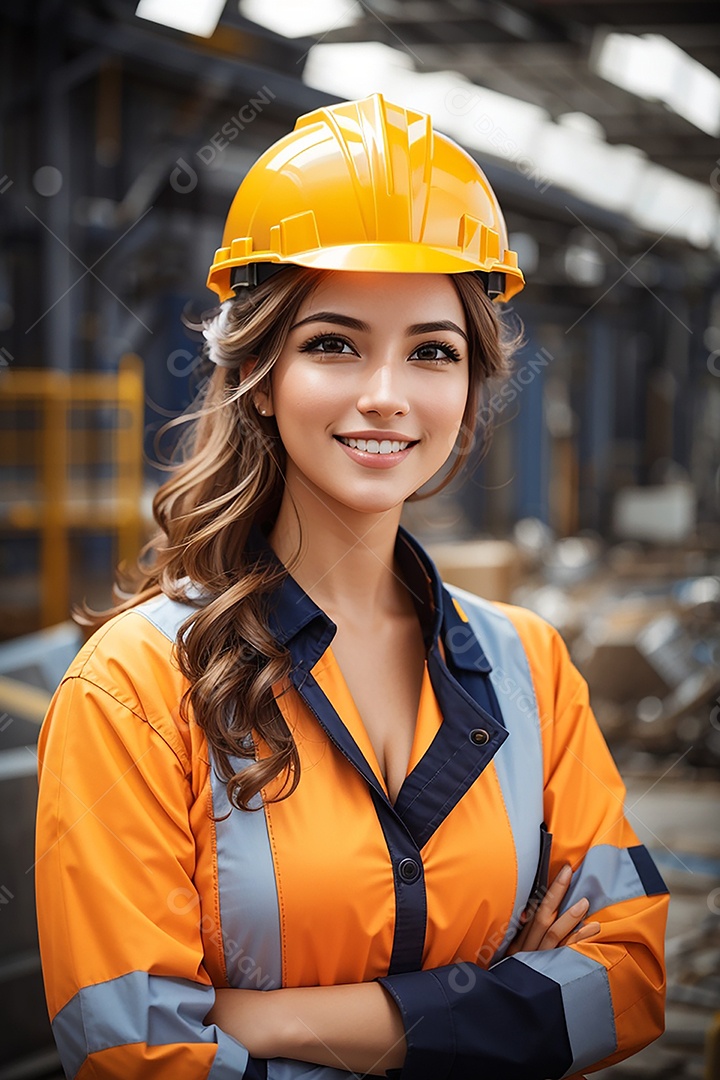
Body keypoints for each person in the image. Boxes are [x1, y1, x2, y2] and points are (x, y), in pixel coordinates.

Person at [35, 94, 668, 1080]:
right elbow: (138, 1050)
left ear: (469, 389)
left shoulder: (527, 667)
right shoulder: (138, 688)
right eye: (334, 343)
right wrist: (510, 1001)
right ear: (258, 368)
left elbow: (627, 984)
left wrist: (279, 1021)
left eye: (432, 350)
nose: (386, 393)